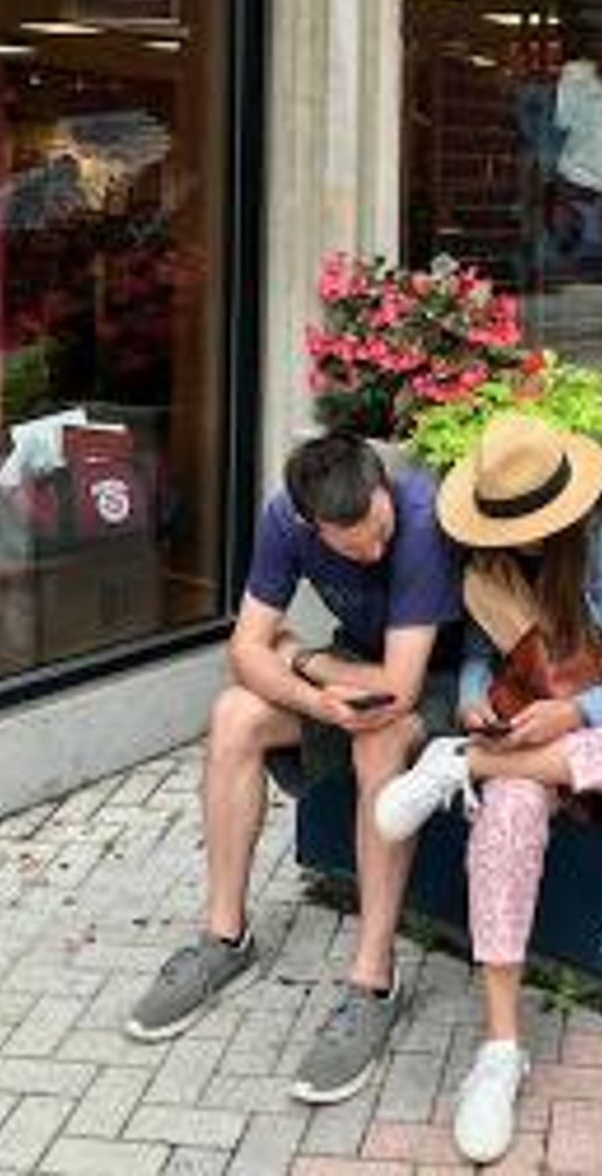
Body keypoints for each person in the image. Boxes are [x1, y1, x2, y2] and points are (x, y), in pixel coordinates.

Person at [373, 414, 602, 1166]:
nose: (517, 538)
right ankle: (500, 1051)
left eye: (528, 524)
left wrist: (577, 712)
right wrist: (473, 703)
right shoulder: (491, 565)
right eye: (504, 524)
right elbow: (476, 656)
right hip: (531, 745)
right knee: (510, 811)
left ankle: (464, 767)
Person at [125, 430, 462, 1106]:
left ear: (383, 489)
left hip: (443, 679)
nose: (375, 551)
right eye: (354, 546)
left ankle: (374, 981)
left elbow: (399, 687)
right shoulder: (285, 518)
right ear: (312, 526)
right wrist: (314, 696)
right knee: (234, 714)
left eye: (379, 531)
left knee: (377, 739)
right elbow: (245, 649)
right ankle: (226, 936)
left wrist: (304, 660)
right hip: (349, 673)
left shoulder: (421, 521)